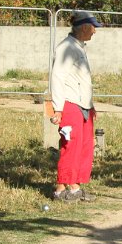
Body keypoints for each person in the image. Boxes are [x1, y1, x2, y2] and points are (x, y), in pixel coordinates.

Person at [49, 11, 101, 201]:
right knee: (71, 146)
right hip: (70, 105)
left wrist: (91, 106)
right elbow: (57, 78)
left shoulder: (78, 46)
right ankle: (61, 189)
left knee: (85, 147)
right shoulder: (66, 48)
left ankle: (75, 187)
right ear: (84, 27)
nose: (95, 31)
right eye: (93, 27)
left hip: (84, 106)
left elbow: (81, 80)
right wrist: (58, 108)